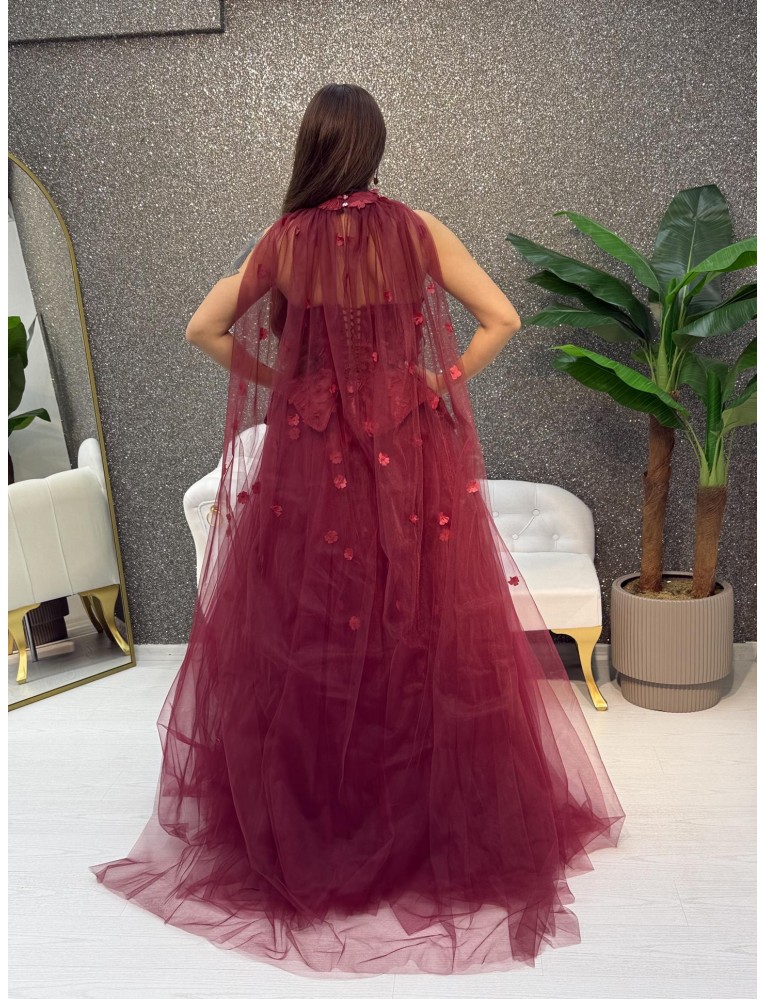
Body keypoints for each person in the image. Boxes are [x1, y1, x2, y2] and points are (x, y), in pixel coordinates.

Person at [89, 83, 625, 978]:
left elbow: (203, 328)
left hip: (311, 460)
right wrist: (433, 380)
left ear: (312, 147)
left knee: (310, 631)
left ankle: (322, 823)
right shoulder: (418, 232)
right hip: (408, 453)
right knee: (419, 624)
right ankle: (424, 824)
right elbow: (502, 318)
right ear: (373, 147)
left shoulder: (284, 242)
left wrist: (285, 381)